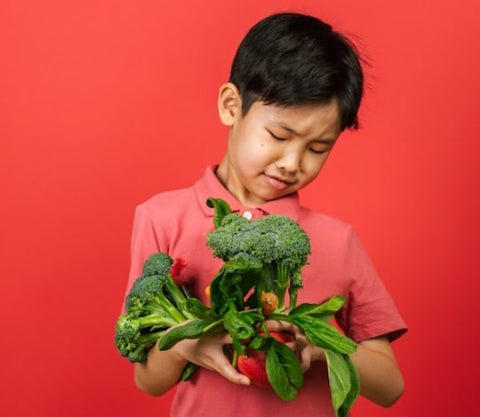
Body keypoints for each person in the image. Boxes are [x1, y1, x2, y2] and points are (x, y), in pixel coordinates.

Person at [123, 12, 407, 417]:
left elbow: (390, 386)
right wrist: (189, 343)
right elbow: (148, 380)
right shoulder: (162, 218)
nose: (292, 162)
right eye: (279, 136)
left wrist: (323, 346)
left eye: (317, 148)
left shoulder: (336, 239)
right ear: (231, 106)